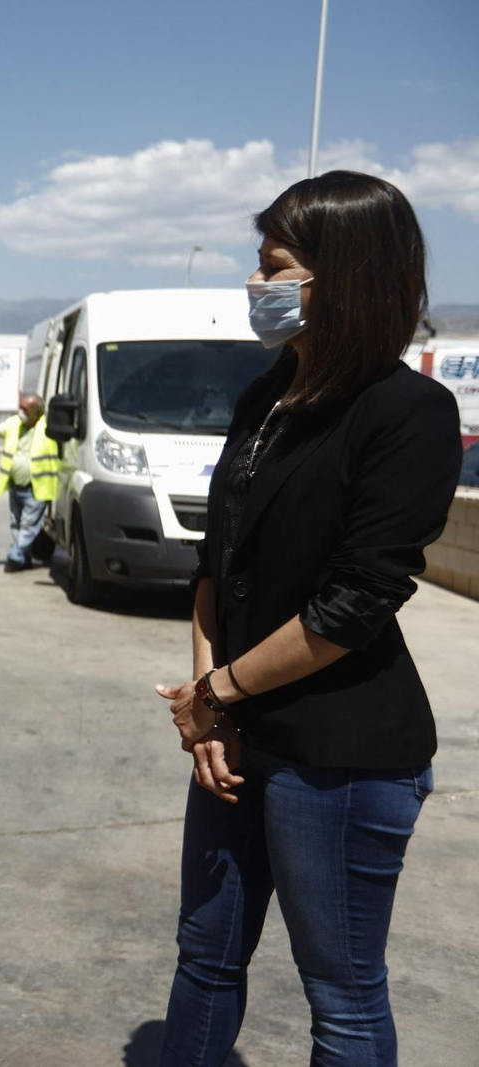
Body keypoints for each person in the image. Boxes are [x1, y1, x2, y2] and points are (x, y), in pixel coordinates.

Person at [153, 171, 461, 1067]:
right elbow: (218, 563)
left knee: (344, 996)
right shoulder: (264, 398)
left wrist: (217, 689)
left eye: (273, 266)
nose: (257, 285)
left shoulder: (411, 413)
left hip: (345, 757)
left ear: (347, 275)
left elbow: (354, 602)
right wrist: (213, 708)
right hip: (238, 731)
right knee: (204, 959)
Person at [0, 392, 59, 571]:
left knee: (28, 525)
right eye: (20, 407)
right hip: (15, 486)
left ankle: (15, 557)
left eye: (25, 409)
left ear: (37, 412)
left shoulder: (48, 426)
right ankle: (24, 556)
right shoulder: (15, 423)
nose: (20, 412)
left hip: (36, 488)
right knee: (16, 523)